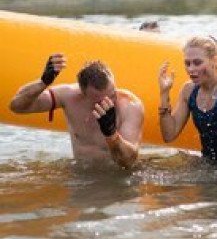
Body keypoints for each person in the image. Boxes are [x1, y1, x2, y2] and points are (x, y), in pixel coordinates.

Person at [9, 55, 144, 169]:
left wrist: (112, 134)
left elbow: (128, 162)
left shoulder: (130, 106)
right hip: (82, 176)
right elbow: (17, 106)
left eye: (112, 94)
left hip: (116, 180)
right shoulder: (70, 97)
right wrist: (42, 83)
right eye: (100, 101)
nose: (110, 103)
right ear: (82, 93)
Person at [157, 36, 217, 162]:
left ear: (214, 60)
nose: (191, 69)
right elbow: (169, 135)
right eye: (187, 63)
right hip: (209, 166)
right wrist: (164, 93)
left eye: (197, 62)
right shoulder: (189, 90)